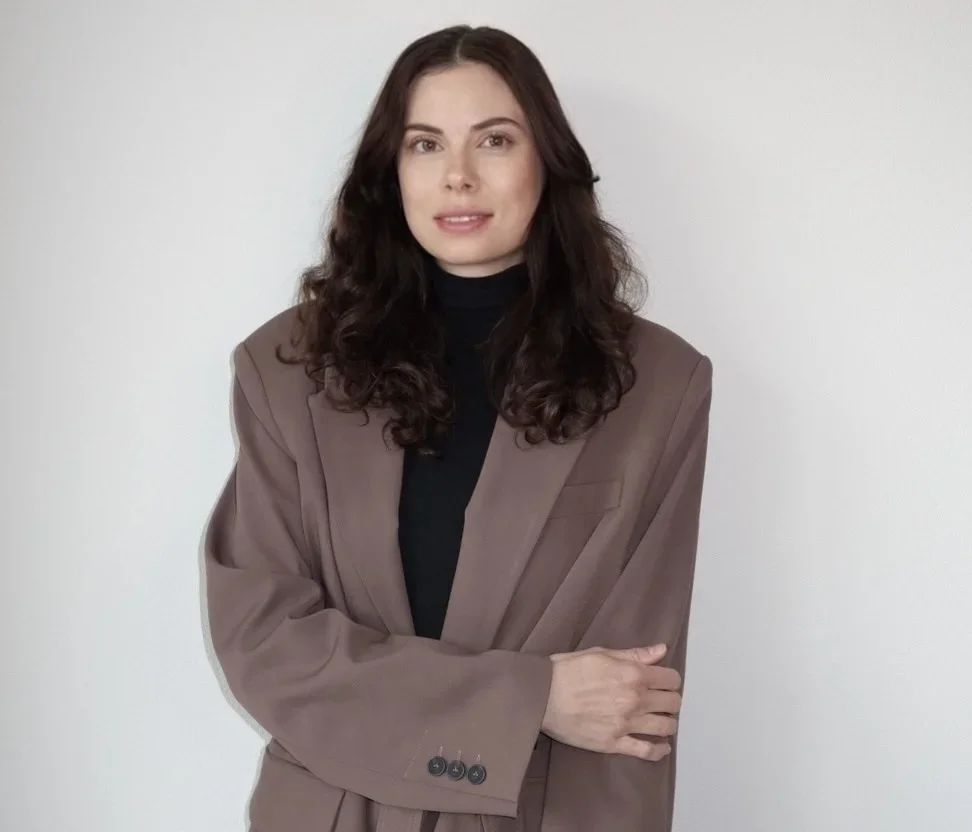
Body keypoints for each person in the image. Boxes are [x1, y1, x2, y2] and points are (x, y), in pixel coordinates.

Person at [203, 23, 713, 832]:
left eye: (496, 140)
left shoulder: (660, 385)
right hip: (334, 809)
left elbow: (628, 701)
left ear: (545, 161)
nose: (460, 177)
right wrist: (531, 697)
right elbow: (266, 644)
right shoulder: (285, 369)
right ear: (391, 172)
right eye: (426, 144)